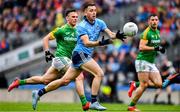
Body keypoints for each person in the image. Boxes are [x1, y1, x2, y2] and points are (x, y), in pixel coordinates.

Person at [31, 3, 126, 111]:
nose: (94, 12)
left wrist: (116, 36)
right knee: (99, 73)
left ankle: (38, 93)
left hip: (82, 56)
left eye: (95, 10)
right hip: (80, 54)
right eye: (91, 10)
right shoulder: (81, 26)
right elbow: (86, 43)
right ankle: (94, 101)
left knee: (64, 81)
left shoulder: (100, 22)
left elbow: (110, 34)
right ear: (85, 13)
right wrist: (100, 43)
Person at [8, 9, 90, 111]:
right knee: (79, 76)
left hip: (66, 61)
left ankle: (19, 82)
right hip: (61, 58)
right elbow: (45, 39)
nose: (75, 19)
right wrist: (47, 52)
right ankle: (84, 103)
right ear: (67, 18)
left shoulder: (78, 31)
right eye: (73, 17)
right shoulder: (61, 30)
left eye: (76, 17)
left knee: (45, 80)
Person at [127, 14, 166, 111]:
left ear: (158, 21)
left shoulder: (157, 31)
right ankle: (131, 106)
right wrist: (155, 48)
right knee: (144, 85)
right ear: (149, 21)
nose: (154, 21)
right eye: (152, 20)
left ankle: (135, 84)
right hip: (142, 60)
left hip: (151, 62)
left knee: (159, 84)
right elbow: (141, 47)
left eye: (156, 20)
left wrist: (160, 49)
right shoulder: (146, 32)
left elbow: (154, 46)